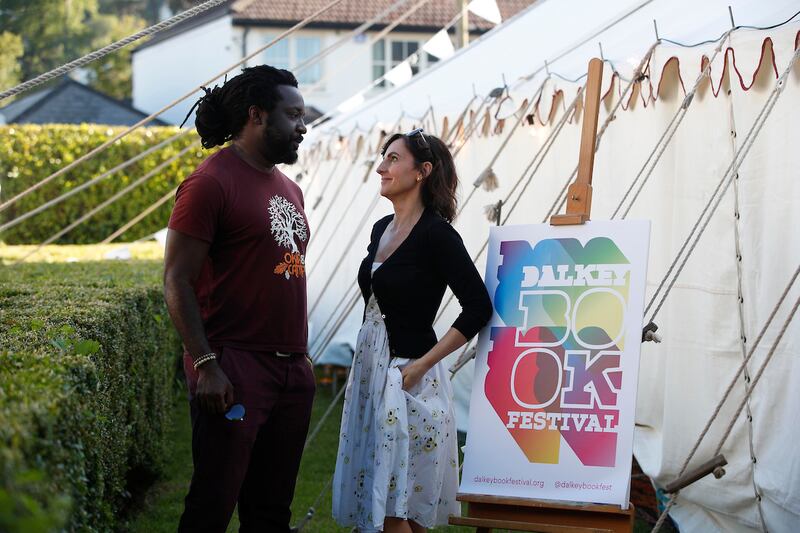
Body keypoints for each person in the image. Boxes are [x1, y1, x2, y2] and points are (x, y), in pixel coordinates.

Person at [163, 65, 314, 533]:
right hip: (233, 368)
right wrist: (206, 363)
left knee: (271, 512)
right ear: (256, 115)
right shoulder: (211, 182)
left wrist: (300, 364)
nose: (303, 126)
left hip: (292, 370)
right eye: (292, 115)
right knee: (213, 504)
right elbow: (176, 280)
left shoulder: (292, 190)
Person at [332, 128, 493, 532]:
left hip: (409, 380)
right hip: (372, 372)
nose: (381, 168)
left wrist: (421, 366)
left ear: (421, 171)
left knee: (395, 507)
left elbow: (478, 306)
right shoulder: (381, 228)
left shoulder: (437, 235)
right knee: (386, 498)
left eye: (392, 159)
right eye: (383, 158)